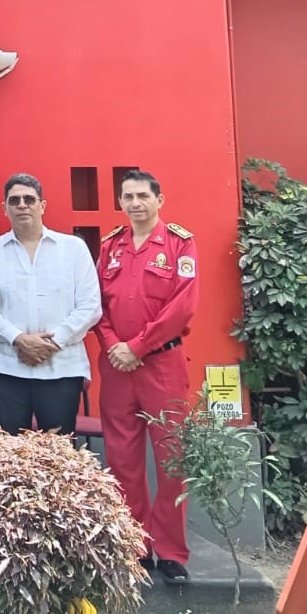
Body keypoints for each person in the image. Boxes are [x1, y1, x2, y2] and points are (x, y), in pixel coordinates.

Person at [96, 168, 199, 585]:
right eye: (128, 197)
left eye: (142, 195)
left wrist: (137, 347)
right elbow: (97, 305)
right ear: (120, 202)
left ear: (159, 199)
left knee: (172, 460)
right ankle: (133, 548)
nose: (135, 203)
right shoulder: (110, 246)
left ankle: (170, 551)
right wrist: (113, 345)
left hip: (161, 365)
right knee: (122, 460)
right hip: (117, 366)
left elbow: (183, 307)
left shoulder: (179, 243)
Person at [0, 173, 102, 436]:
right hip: (6, 366)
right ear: (4, 208)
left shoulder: (73, 249)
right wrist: (19, 339)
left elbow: (90, 305)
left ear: (42, 205)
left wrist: (49, 343)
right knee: (7, 451)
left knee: (57, 452)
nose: (22, 205)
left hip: (61, 367)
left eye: (29, 199)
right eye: (14, 201)